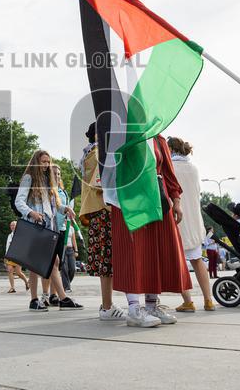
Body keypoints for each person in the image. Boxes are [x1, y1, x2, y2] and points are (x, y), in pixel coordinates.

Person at [111, 135, 191, 328]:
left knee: (154, 252)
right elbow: (109, 170)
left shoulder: (158, 138)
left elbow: (168, 174)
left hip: (156, 199)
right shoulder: (118, 133)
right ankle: (133, 309)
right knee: (133, 252)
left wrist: (176, 201)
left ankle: (151, 305)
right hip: (129, 199)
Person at [15, 150, 82, 311]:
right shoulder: (29, 178)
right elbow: (19, 201)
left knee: (53, 262)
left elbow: (55, 206)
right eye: (43, 162)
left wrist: (65, 209)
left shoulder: (48, 180)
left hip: (49, 227)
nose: (46, 165)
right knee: (38, 264)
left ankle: (57, 298)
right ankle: (40, 299)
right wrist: (31, 213)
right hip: (35, 226)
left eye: (48, 162)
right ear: (36, 162)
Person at [79, 122, 123, 321]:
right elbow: (101, 183)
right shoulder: (99, 153)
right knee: (107, 261)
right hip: (105, 209)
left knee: (105, 260)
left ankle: (107, 304)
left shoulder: (88, 154)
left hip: (95, 211)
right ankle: (107, 306)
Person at [167, 137, 215, 313]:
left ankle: (188, 301)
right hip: (194, 219)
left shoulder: (170, 167)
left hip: (177, 219)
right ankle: (208, 300)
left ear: (170, 149)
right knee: (197, 260)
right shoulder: (193, 167)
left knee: (176, 262)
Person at [53, 165, 78, 294]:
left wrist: (68, 212)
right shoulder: (48, 190)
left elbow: (64, 207)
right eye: (54, 173)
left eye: (59, 174)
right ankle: (49, 294)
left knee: (58, 264)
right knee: (53, 264)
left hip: (62, 229)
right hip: (51, 229)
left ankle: (54, 294)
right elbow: (56, 206)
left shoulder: (63, 192)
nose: (57, 176)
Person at [4, 222, 29, 292]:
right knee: (9, 270)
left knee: (18, 272)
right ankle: (12, 287)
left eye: (14, 225)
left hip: (19, 255)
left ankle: (26, 282)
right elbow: (7, 247)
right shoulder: (9, 236)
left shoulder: (21, 235)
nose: (12, 226)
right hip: (11, 256)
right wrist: (6, 256)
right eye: (11, 225)